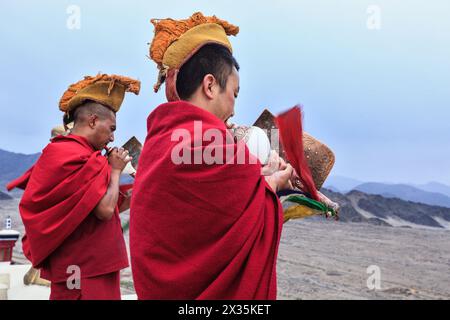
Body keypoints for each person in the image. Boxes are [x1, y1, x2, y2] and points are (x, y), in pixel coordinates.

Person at [130, 12, 292, 299]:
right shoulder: (207, 139)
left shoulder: (161, 137)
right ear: (209, 85)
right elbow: (245, 198)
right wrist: (273, 185)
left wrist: (258, 180)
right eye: (235, 93)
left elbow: (212, 210)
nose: (233, 108)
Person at [7, 74, 140, 300]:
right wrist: (115, 170)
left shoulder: (82, 156)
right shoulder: (72, 155)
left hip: (90, 267)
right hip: (85, 269)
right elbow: (105, 210)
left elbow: (111, 204)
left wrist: (142, 183)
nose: (113, 137)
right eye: (111, 128)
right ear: (92, 121)